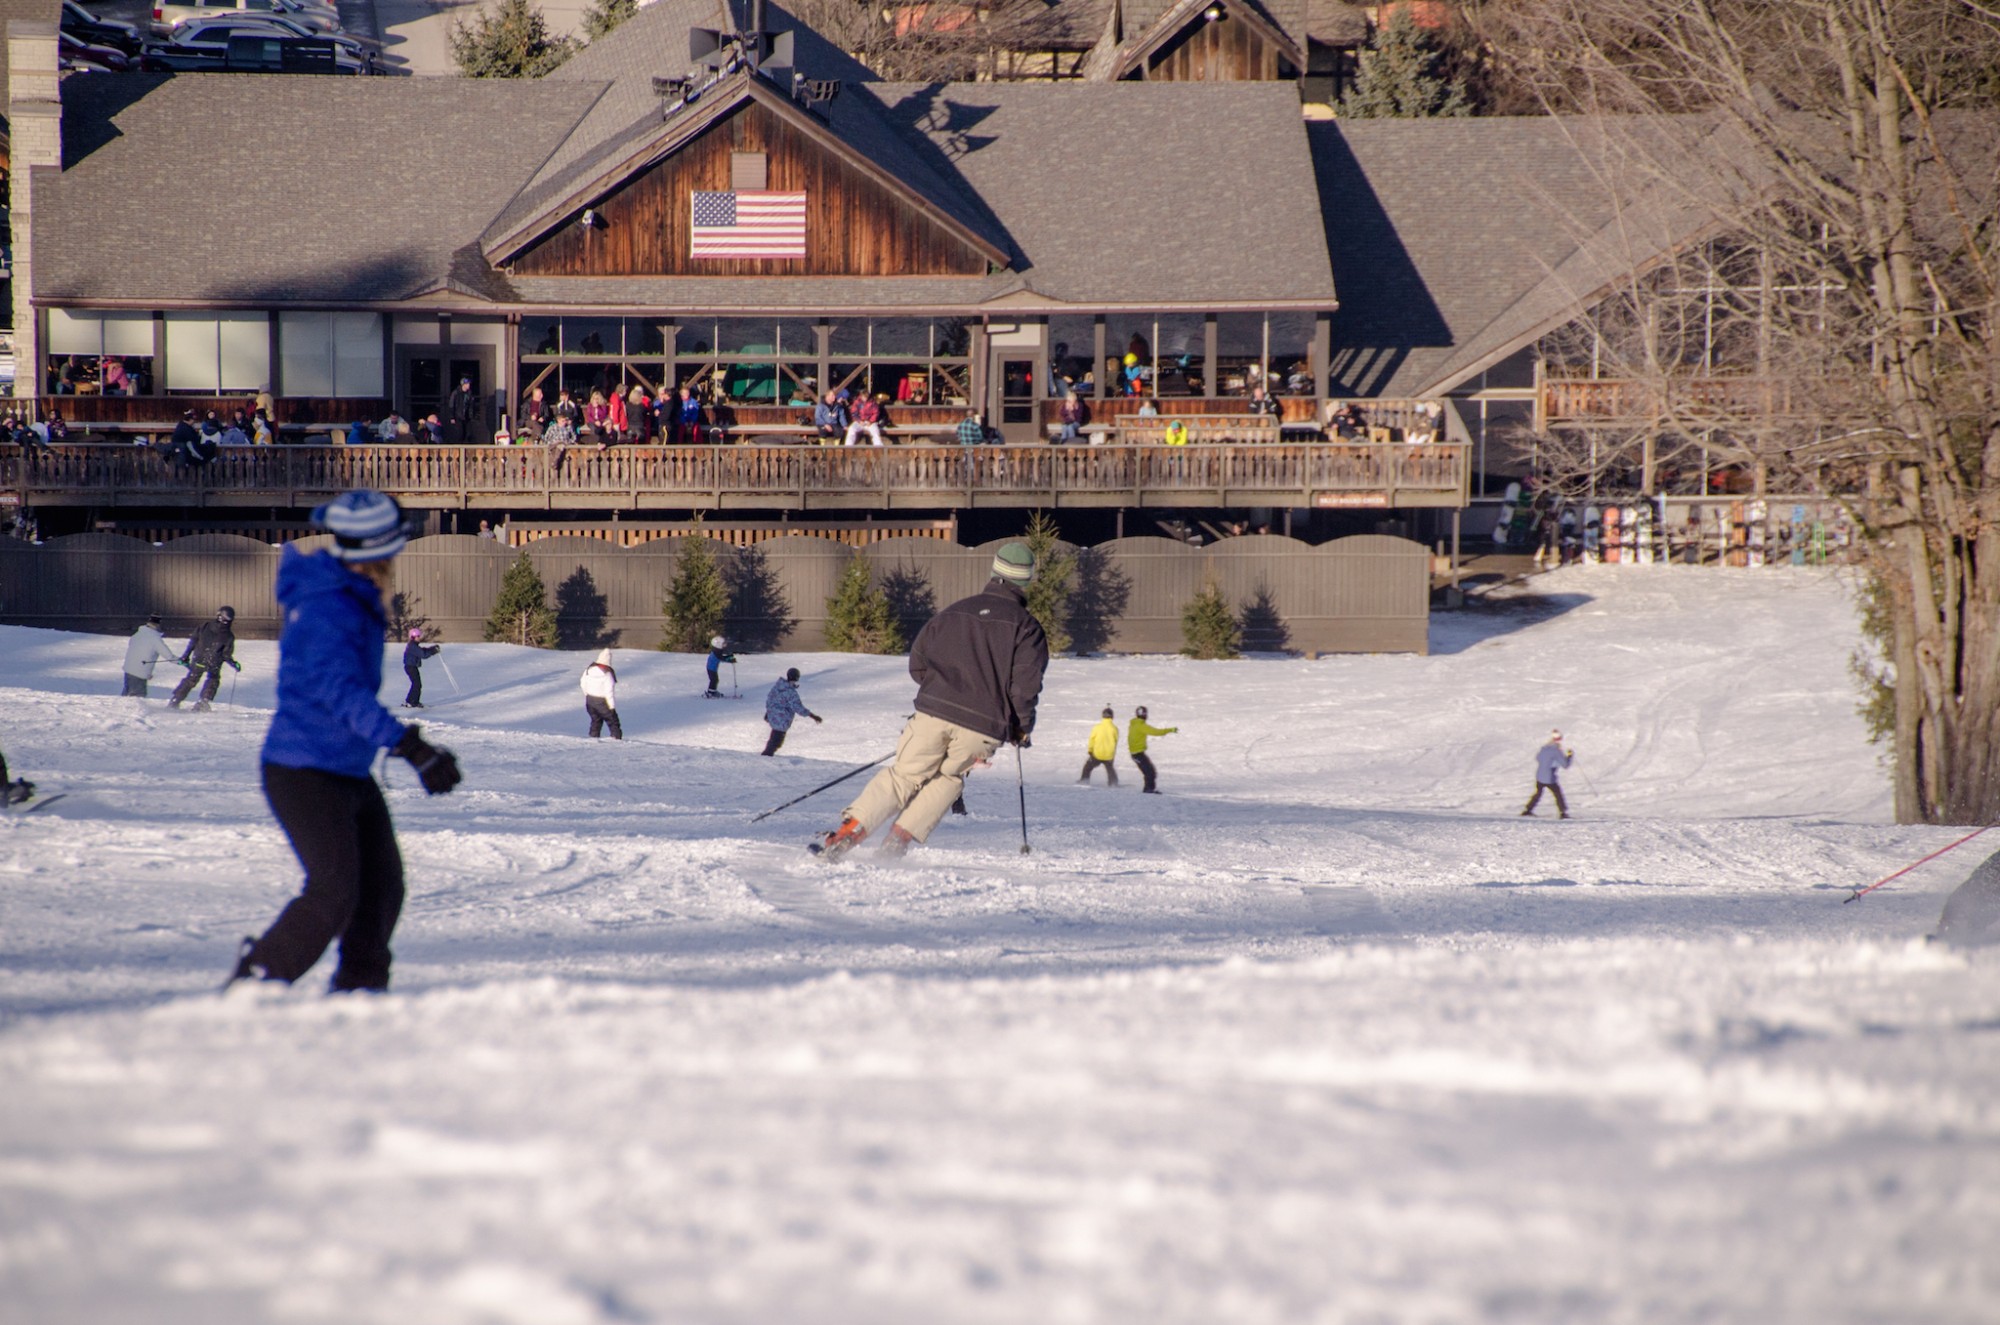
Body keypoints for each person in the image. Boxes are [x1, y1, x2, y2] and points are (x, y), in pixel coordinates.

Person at [223, 489, 461, 995]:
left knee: (382, 887)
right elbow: (340, 692)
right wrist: (411, 747)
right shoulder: (330, 604)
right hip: (304, 769)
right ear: (375, 553)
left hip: (346, 769)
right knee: (333, 890)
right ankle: (256, 981)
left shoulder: (349, 594)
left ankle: (359, 989)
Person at [813, 542, 1047, 860]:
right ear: (1027, 580)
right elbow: (1025, 688)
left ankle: (847, 833)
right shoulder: (1028, 628)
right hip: (982, 727)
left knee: (903, 776)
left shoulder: (953, 613)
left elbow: (918, 663)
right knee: (948, 780)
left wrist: (941, 693)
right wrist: (1020, 728)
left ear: (995, 572)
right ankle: (897, 842)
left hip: (933, 714)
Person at [169, 605, 241, 711]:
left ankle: (176, 700)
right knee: (213, 680)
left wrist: (186, 656)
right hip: (214, 663)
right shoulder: (229, 636)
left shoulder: (205, 626)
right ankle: (203, 701)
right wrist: (234, 663)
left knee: (190, 680)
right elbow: (226, 654)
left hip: (198, 659)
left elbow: (193, 640)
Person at [761, 667, 821, 755]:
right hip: (782, 719)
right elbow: (798, 708)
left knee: (774, 738)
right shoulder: (790, 692)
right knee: (776, 741)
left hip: (773, 717)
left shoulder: (777, 687)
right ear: (797, 678)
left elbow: (770, 700)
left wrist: (768, 713)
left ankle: (767, 755)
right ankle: (766, 756)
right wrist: (813, 716)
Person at [121, 613, 183, 698]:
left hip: (128, 669)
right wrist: (182, 662)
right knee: (137, 698)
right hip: (139, 673)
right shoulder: (155, 638)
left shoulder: (138, 634)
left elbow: (137, 651)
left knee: (126, 696)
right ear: (158, 625)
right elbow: (169, 656)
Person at [1127, 705, 1178, 794]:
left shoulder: (1134, 724)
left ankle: (1149, 789)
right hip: (1137, 754)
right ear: (1144, 715)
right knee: (1150, 772)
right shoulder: (1141, 725)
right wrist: (1170, 730)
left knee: (1150, 772)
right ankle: (1149, 790)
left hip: (1137, 753)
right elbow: (1155, 732)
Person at [1522, 729, 1573, 818]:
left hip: (1539, 776)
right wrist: (1569, 756)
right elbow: (1565, 765)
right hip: (1549, 777)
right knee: (1557, 793)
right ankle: (1563, 812)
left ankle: (1528, 810)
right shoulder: (1556, 751)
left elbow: (1538, 758)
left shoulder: (1544, 749)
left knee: (1538, 793)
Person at [580, 649, 622, 739]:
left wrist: (587, 694)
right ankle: (617, 740)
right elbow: (609, 691)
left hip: (590, 701)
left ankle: (593, 738)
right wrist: (611, 707)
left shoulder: (588, 670)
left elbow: (582, 683)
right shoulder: (607, 673)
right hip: (602, 702)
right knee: (613, 722)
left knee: (596, 721)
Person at [1080, 707, 1120, 786]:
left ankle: (1084, 780)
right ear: (1112, 716)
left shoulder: (1097, 727)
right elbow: (1116, 740)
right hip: (1109, 754)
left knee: (1087, 767)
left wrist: (1090, 750)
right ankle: (1113, 783)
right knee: (1110, 768)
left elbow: (1092, 739)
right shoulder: (1114, 728)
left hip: (1097, 754)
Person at [402, 628, 440, 708]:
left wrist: (432, 648)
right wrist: (433, 652)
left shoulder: (413, 645)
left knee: (416, 684)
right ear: (413, 637)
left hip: (411, 667)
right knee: (417, 684)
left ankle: (409, 701)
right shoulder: (413, 646)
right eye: (418, 636)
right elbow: (423, 655)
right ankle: (413, 702)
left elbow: (423, 650)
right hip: (411, 667)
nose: (420, 638)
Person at [446, 376, 480, 445]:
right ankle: (458, 447)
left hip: (466, 416)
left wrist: (472, 415)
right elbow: (451, 405)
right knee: (460, 432)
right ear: (463, 385)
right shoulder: (456, 393)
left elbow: (471, 405)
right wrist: (452, 417)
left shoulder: (469, 393)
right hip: (458, 415)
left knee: (467, 432)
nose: (469, 385)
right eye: (467, 384)